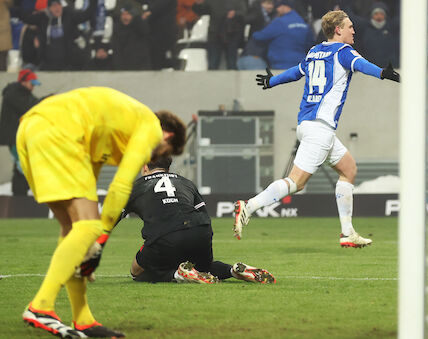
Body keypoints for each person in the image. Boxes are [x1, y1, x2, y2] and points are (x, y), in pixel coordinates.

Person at [17, 87, 187, 338]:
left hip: (31, 129)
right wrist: (102, 238)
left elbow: (93, 187)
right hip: (59, 131)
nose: (156, 158)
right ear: (168, 136)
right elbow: (120, 186)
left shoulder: (112, 132)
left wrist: (90, 245)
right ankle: (41, 306)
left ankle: (83, 319)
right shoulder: (150, 127)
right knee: (88, 228)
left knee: (76, 230)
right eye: (165, 152)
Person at [233, 10, 399, 248]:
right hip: (320, 129)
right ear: (338, 30)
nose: (354, 30)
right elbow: (361, 65)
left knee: (349, 168)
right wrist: (383, 73)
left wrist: (272, 81)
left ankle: (348, 233)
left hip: (309, 125)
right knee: (296, 183)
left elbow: (295, 72)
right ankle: (249, 206)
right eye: (350, 26)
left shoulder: (314, 52)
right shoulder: (344, 52)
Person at [116, 156, 276, 284]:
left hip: (166, 236)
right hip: (200, 230)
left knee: (137, 272)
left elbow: (111, 218)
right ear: (168, 168)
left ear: (145, 167)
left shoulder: (135, 187)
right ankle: (232, 271)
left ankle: (178, 275)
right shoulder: (186, 182)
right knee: (204, 269)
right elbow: (204, 214)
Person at [20, 0, 97, 70]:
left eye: (58, 5)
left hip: (67, 65)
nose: (57, 8)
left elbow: (87, 14)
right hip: (47, 65)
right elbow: (25, 17)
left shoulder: (70, 16)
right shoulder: (42, 18)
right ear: (49, 9)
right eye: (54, 6)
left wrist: (94, 2)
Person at [0, 69, 41, 196]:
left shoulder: (22, 93)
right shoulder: (13, 94)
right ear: (23, 82)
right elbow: (29, 106)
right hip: (14, 138)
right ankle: (20, 194)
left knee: (21, 166)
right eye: (31, 83)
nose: (33, 87)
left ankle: (20, 193)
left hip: (19, 137)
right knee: (22, 166)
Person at [251, 0, 314, 69]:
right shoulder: (303, 22)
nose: (277, 9)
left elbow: (260, 37)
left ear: (284, 6)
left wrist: (253, 32)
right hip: (300, 63)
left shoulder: (279, 22)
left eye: (278, 7)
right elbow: (310, 42)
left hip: (281, 63)